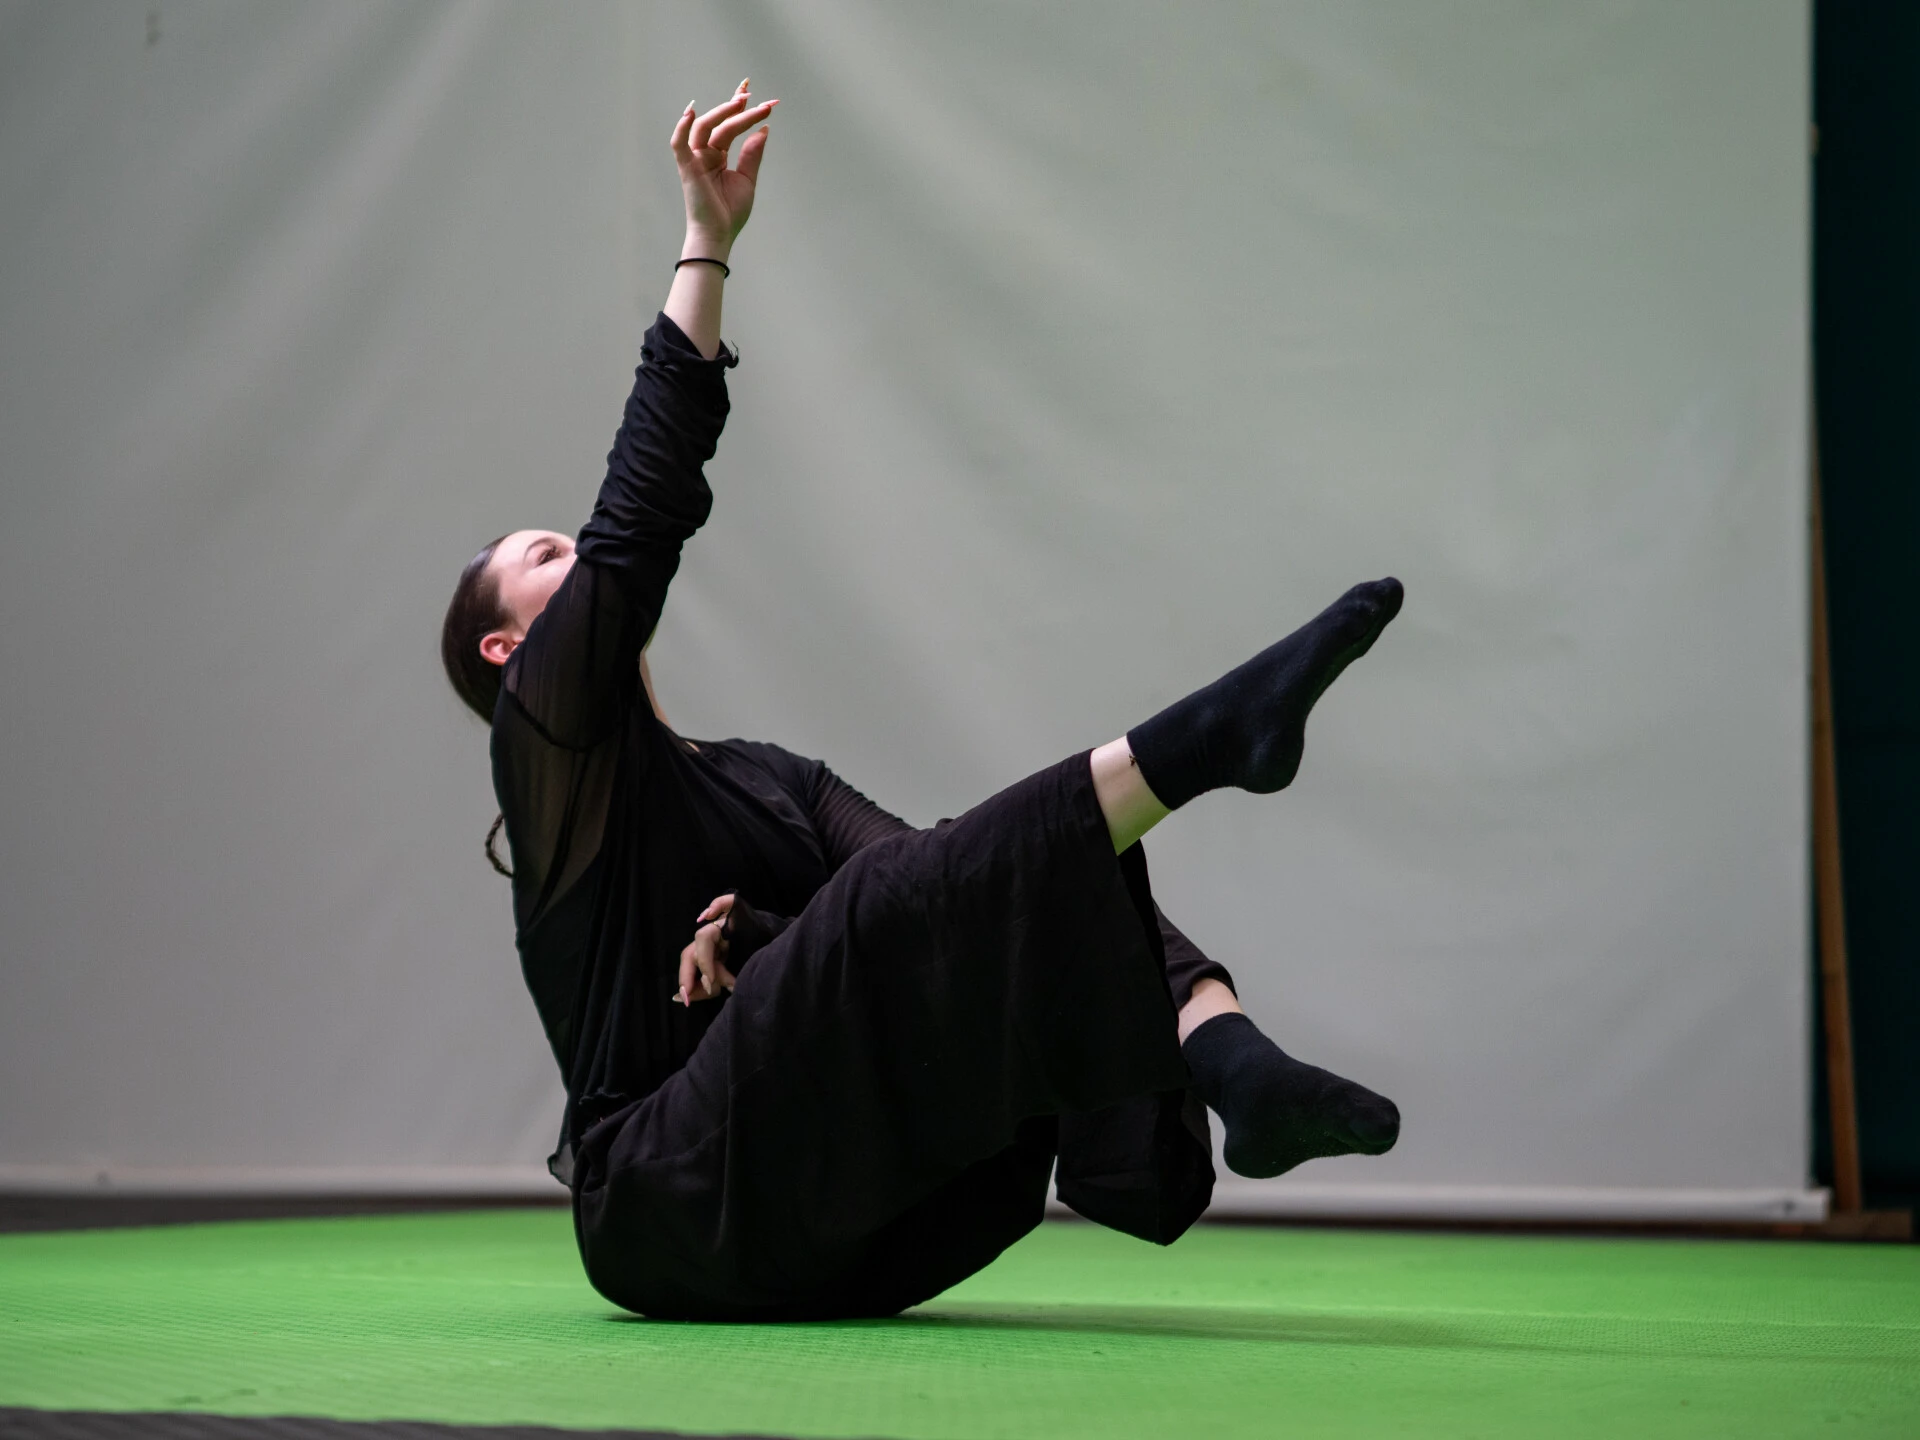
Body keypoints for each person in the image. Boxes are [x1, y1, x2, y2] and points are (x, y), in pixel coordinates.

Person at [441, 82, 1403, 1322]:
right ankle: (1209, 738)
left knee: (1021, 876)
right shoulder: (552, 759)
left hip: (877, 1230)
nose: (573, 555)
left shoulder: (769, 778)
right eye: (545, 557)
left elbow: (949, 889)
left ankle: (1238, 1066)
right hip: (667, 1212)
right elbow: (639, 518)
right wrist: (706, 247)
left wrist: (765, 938)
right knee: (940, 886)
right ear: (511, 651)